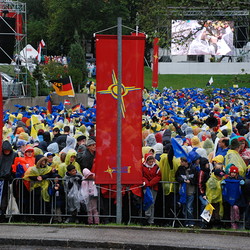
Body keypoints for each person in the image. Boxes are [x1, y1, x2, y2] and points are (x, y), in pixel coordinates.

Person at [175, 157, 197, 227]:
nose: (180, 163)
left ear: (186, 162)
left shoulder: (193, 169)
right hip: (183, 192)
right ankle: (186, 222)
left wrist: (191, 181)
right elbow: (177, 177)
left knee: (189, 208)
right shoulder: (180, 169)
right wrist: (182, 180)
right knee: (184, 208)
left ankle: (191, 222)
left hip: (190, 191)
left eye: (182, 161)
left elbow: (196, 178)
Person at [142, 153, 161, 225]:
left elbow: (158, 176)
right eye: (149, 161)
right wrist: (147, 182)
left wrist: (150, 183)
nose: (151, 163)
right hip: (146, 187)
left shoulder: (156, 167)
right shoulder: (143, 167)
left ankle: (151, 220)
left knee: (152, 203)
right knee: (147, 202)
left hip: (153, 187)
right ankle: (147, 217)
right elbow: (142, 176)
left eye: (152, 161)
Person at [0, 141, 17, 219]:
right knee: (4, 197)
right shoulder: (2, 156)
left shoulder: (14, 155)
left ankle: (3, 213)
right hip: (3, 179)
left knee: (6, 197)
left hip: (9, 179)